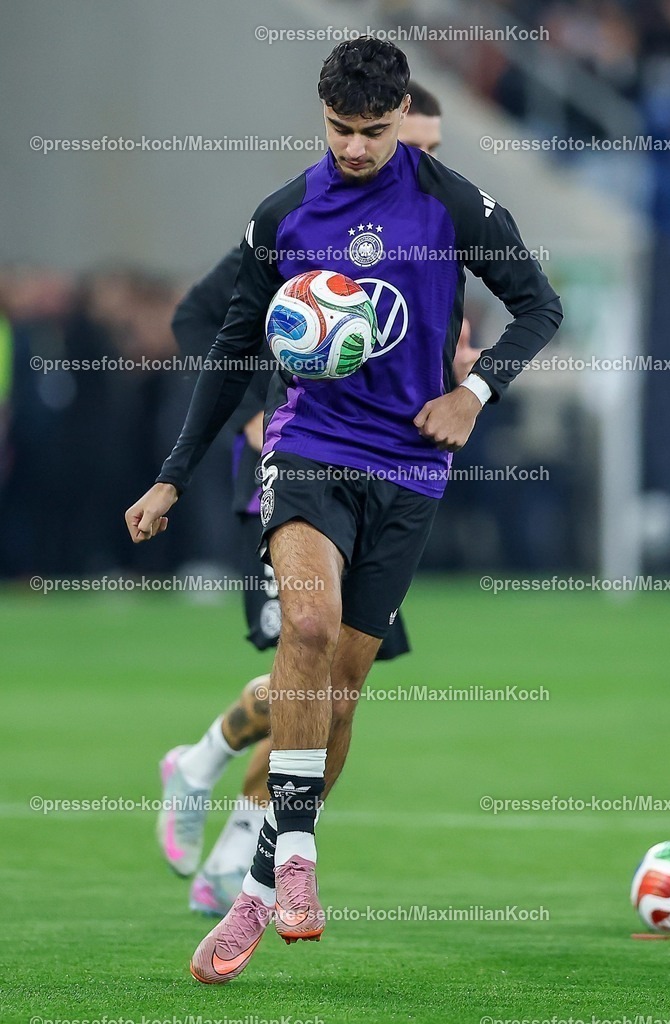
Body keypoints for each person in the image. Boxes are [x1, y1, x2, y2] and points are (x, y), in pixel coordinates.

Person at [125, 37, 562, 983]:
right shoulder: (284, 215)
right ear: (321, 114)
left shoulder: (452, 204)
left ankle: (251, 891)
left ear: (401, 113)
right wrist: (172, 475)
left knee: (341, 695)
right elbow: (230, 349)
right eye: (339, 130)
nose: (355, 148)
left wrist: (472, 396)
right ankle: (300, 862)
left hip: (409, 471)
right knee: (308, 629)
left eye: (372, 130)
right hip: (309, 450)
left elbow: (538, 306)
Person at [157, 81, 445, 919]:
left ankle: (226, 830)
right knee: (307, 670)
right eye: (413, 148)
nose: (413, 165)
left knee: (331, 689)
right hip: (295, 474)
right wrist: (249, 420)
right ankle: (218, 807)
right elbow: (199, 320)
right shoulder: (302, 221)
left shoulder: (429, 230)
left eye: (429, 151)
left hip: (384, 482)